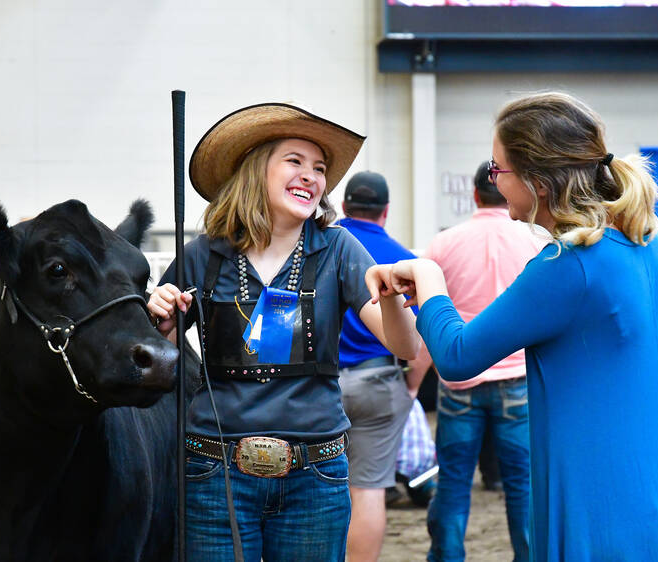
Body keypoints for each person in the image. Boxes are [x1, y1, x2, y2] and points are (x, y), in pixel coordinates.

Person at [366, 92, 658, 561]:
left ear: (537, 182)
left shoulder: (568, 264)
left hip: (602, 509)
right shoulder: (653, 246)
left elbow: (458, 358)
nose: (495, 181)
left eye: (499, 169)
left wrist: (428, 276)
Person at [147, 103, 420, 562]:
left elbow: (406, 344)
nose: (311, 176)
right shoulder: (201, 256)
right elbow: (158, 361)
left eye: (319, 169)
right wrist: (164, 324)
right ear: (257, 171)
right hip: (215, 474)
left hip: (314, 477)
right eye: (295, 161)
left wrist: (392, 296)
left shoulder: (338, 248)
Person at [422, 161, 545, 562]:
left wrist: (414, 382)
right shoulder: (537, 242)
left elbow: (431, 319)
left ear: (475, 194)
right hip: (517, 380)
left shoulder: (443, 244)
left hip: (460, 381)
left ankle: (447, 555)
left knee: (454, 483)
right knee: (523, 486)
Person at [336, 171, 428, 561]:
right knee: (369, 487)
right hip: (378, 381)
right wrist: (412, 388)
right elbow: (421, 342)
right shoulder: (405, 260)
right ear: (386, 211)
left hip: (318, 387)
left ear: (343, 206)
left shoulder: (325, 245)